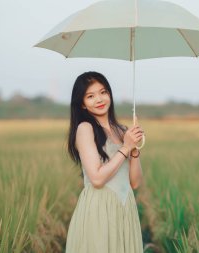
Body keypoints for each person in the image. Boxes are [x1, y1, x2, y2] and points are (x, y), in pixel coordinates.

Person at [65, 71, 144, 253]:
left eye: (103, 92)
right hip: (99, 208)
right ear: (82, 104)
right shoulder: (85, 129)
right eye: (90, 96)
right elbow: (97, 179)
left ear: (109, 94)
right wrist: (125, 148)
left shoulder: (123, 130)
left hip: (125, 206)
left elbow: (135, 182)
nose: (99, 99)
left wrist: (134, 148)